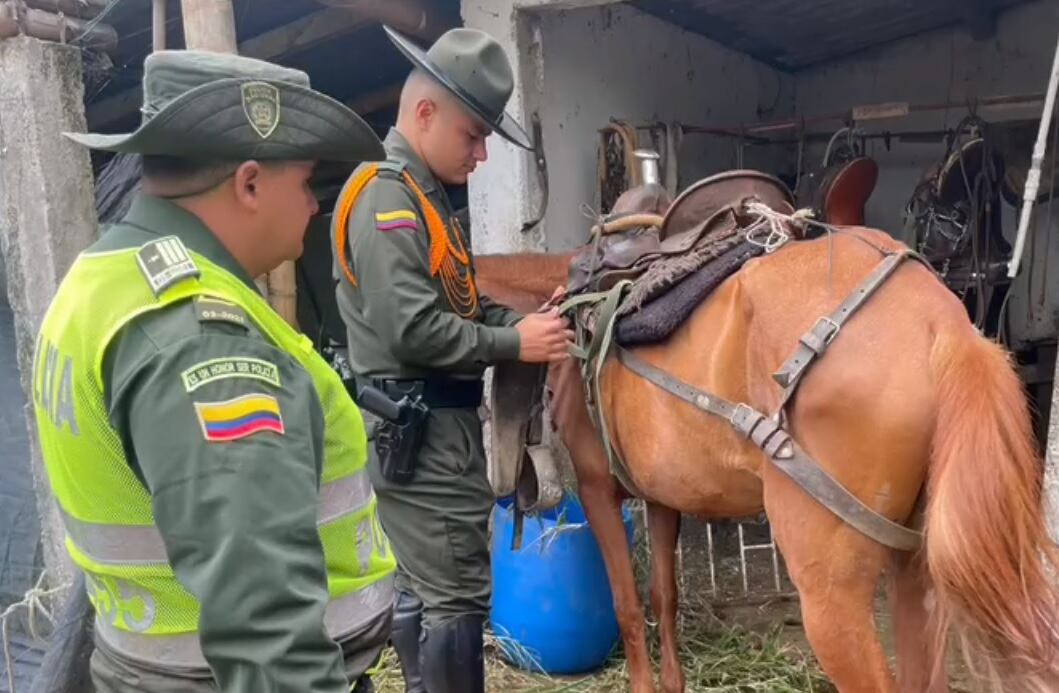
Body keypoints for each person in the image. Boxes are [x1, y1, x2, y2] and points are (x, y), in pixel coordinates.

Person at [32, 49, 397, 692]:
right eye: (305, 181)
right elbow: (266, 636)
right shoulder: (205, 344)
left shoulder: (102, 279)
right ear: (250, 183)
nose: (314, 205)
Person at [330, 25, 572, 693]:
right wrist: (513, 344)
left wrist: (522, 323)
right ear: (425, 113)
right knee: (455, 595)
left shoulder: (426, 199)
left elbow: (460, 308)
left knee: (426, 584)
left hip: (440, 427)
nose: (482, 153)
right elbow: (413, 331)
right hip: (420, 425)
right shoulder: (386, 199)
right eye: (473, 135)